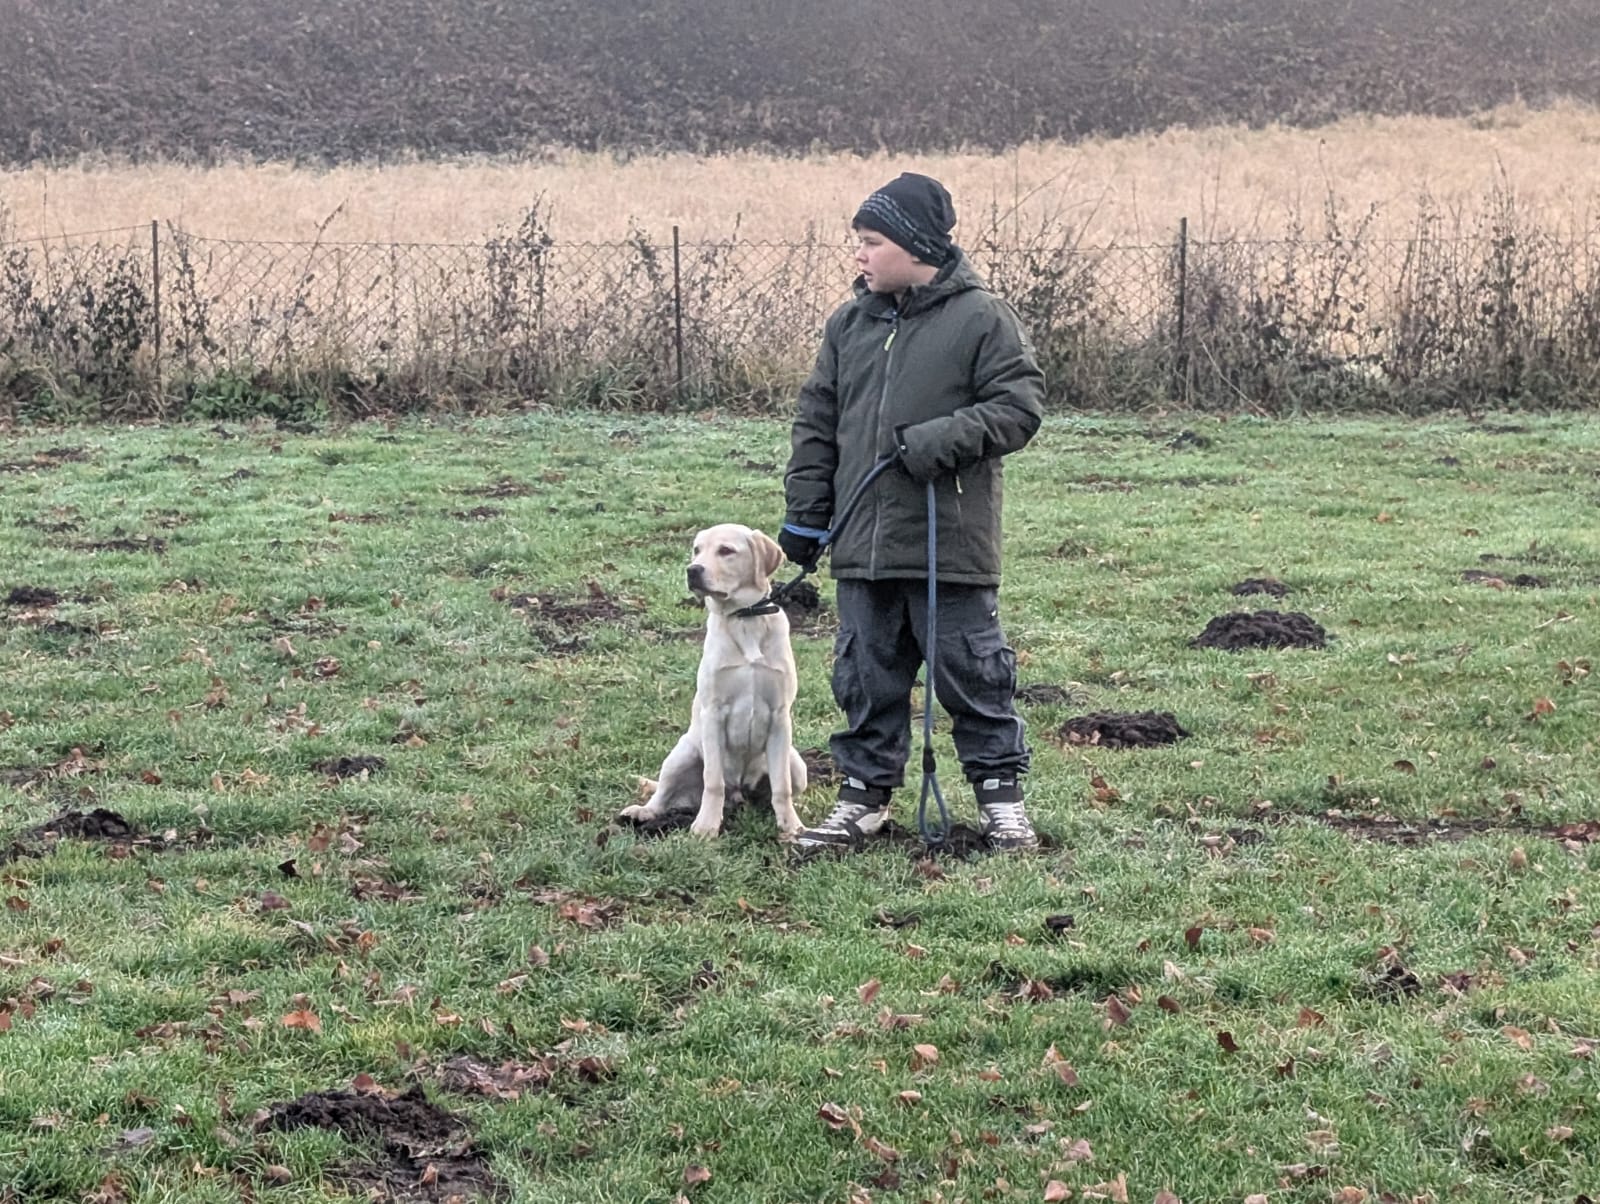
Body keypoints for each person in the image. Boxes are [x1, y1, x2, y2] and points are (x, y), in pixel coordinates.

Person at [777, 172, 1045, 853]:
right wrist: (808, 516)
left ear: (914, 245)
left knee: (973, 674)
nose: (859, 256)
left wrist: (932, 444)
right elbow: (817, 422)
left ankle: (1001, 804)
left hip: (948, 543)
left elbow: (1018, 408)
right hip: (862, 542)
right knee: (865, 677)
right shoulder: (849, 324)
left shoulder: (982, 318)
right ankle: (863, 800)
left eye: (871, 242)